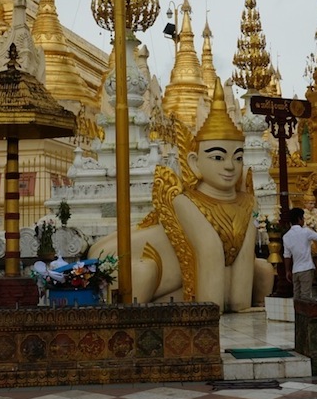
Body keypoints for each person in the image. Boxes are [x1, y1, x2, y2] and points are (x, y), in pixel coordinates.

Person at [90, 78, 274, 311]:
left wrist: (240, 305)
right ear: (195, 163)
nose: (230, 166)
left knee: (263, 269)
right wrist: (213, 310)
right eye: (218, 157)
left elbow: (243, 259)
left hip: (201, 281)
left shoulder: (247, 201)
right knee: (145, 271)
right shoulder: (186, 200)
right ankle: (132, 312)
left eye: (238, 158)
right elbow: (210, 252)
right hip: (151, 273)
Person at [283, 207, 317, 299]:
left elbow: (287, 256)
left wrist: (287, 270)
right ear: (299, 219)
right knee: (306, 295)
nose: (303, 220)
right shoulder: (305, 232)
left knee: (296, 295)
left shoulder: (286, 236)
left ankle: (297, 312)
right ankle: (304, 312)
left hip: (295, 270)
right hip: (306, 268)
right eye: (303, 218)